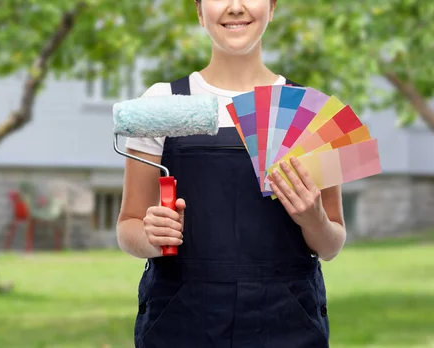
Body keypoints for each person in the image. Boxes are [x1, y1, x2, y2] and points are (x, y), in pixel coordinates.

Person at [116, 0, 346, 347]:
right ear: (198, 10)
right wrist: (152, 236)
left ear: (272, 7)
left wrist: (312, 218)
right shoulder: (163, 102)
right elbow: (127, 226)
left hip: (287, 321)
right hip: (181, 319)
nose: (235, 7)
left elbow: (331, 244)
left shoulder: (309, 110)